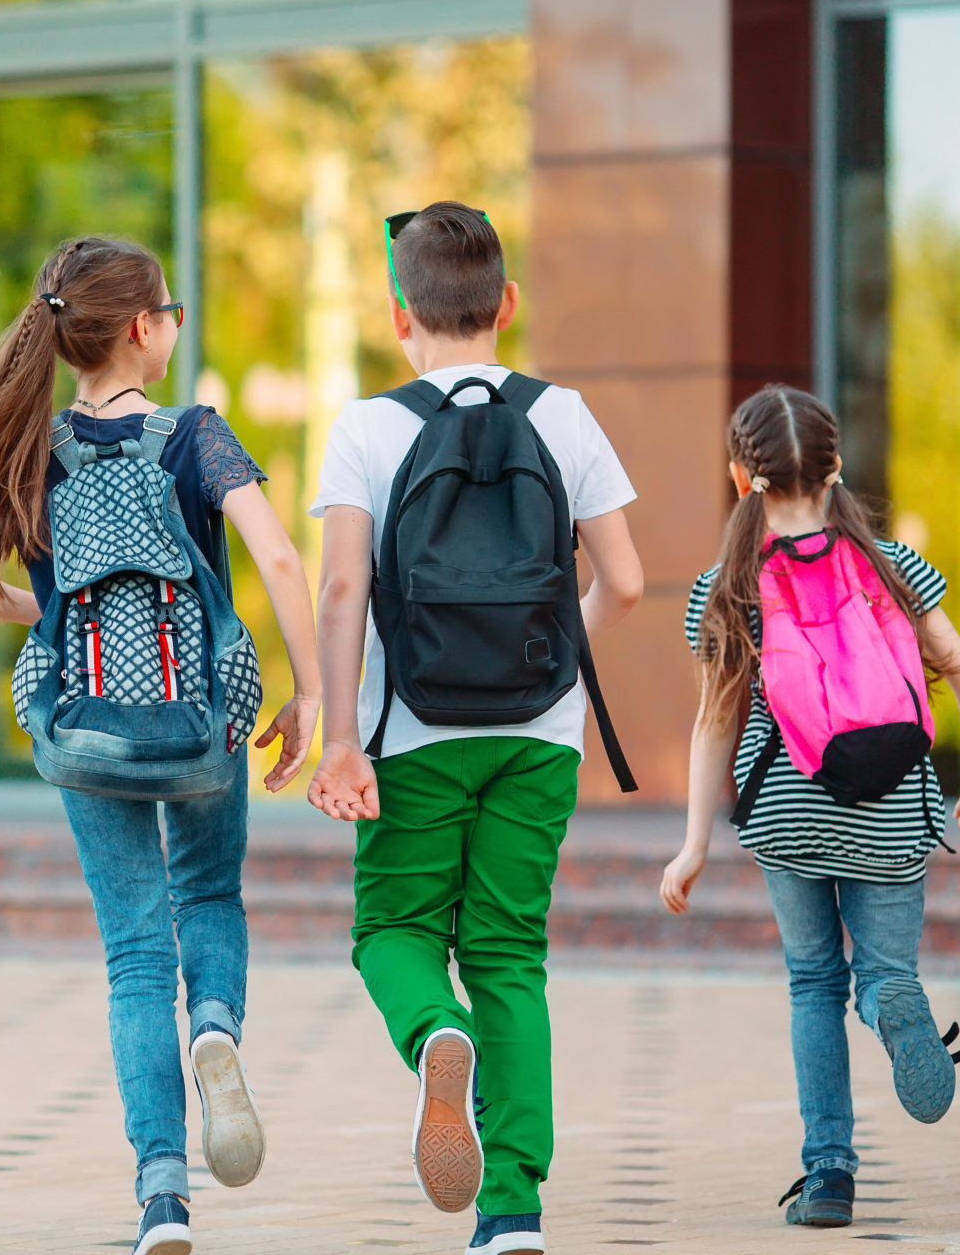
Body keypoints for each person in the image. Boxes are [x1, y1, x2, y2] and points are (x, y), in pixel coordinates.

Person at [0, 235, 321, 1255]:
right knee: (208, 895)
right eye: (168, 312)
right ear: (141, 328)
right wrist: (309, 696)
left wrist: (46, 615)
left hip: (85, 727)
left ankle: (161, 1195)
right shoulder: (194, 435)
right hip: (200, 720)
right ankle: (214, 1023)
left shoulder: (27, 446)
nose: (172, 326)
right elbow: (279, 554)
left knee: (134, 955)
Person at [306, 202, 644, 1255]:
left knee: (393, 932)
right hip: (540, 734)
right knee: (508, 951)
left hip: (410, 726)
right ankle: (513, 1210)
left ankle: (431, 1031)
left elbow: (339, 591)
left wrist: (341, 738)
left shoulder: (368, 425)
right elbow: (627, 581)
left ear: (397, 312)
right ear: (507, 305)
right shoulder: (567, 414)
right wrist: (553, 662)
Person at [661, 384, 960, 1230]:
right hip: (892, 813)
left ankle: (829, 1178)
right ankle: (892, 1005)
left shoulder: (729, 585)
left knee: (813, 984)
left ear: (740, 475)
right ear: (837, 466)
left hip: (786, 813)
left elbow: (715, 718)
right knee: (884, 975)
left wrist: (695, 841)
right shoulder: (895, 567)